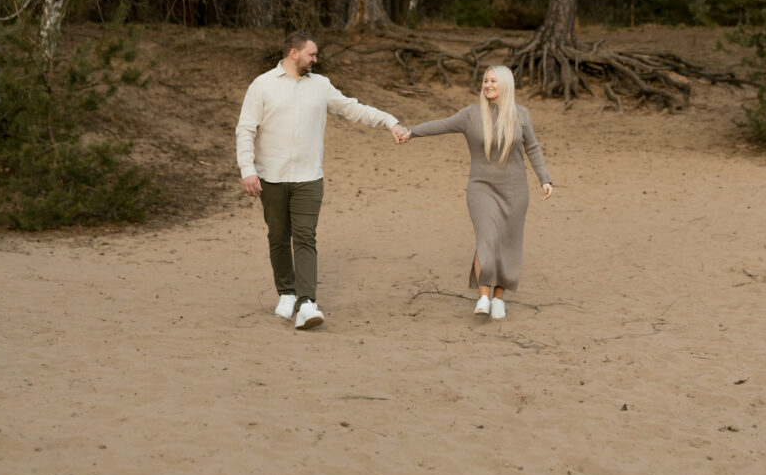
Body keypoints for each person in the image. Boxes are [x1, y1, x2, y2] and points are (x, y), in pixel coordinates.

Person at [236, 31, 407, 330]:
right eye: (311, 54)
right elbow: (245, 129)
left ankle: (306, 303)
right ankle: (286, 292)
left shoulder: (321, 86)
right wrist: (247, 170)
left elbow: (353, 109)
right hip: (271, 177)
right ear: (293, 53)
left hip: (309, 177)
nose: (316, 59)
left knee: (305, 237)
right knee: (278, 237)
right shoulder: (262, 85)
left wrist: (389, 121)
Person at [400, 65, 553, 319]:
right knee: (487, 239)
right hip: (481, 188)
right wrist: (411, 132)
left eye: (494, 81)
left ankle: (499, 300)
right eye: (485, 81)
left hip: (516, 191)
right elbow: (442, 124)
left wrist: (544, 179)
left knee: (509, 245)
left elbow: (533, 148)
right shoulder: (471, 114)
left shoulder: (520, 115)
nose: (488, 85)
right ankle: (483, 296)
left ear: (505, 84)